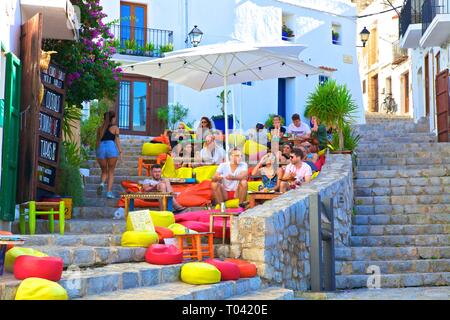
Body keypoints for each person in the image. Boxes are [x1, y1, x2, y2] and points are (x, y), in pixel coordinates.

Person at [96, 111, 123, 199]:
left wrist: (97, 153)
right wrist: (120, 151)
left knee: (104, 171)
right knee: (111, 171)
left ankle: (102, 183)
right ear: (113, 118)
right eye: (115, 117)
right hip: (111, 148)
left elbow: (97, 142)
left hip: (101, 149)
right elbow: (117, 141)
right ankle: (109, 192)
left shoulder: (100, 128)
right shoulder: (115, 128)